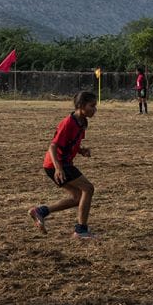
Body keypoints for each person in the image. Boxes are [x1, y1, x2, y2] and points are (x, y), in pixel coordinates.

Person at [28, 91, 99, 239]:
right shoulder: (68, 122)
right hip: (56, 164)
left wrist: (81, 150)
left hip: (60, 164)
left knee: (78, 197)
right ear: (80, 106)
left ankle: (40, 211)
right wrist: (58, 168)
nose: (95, 109)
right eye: (92, 106)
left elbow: (70, 142)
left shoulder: (83, 122)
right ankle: (81, 230)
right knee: (88, 189)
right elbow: (53, 146)